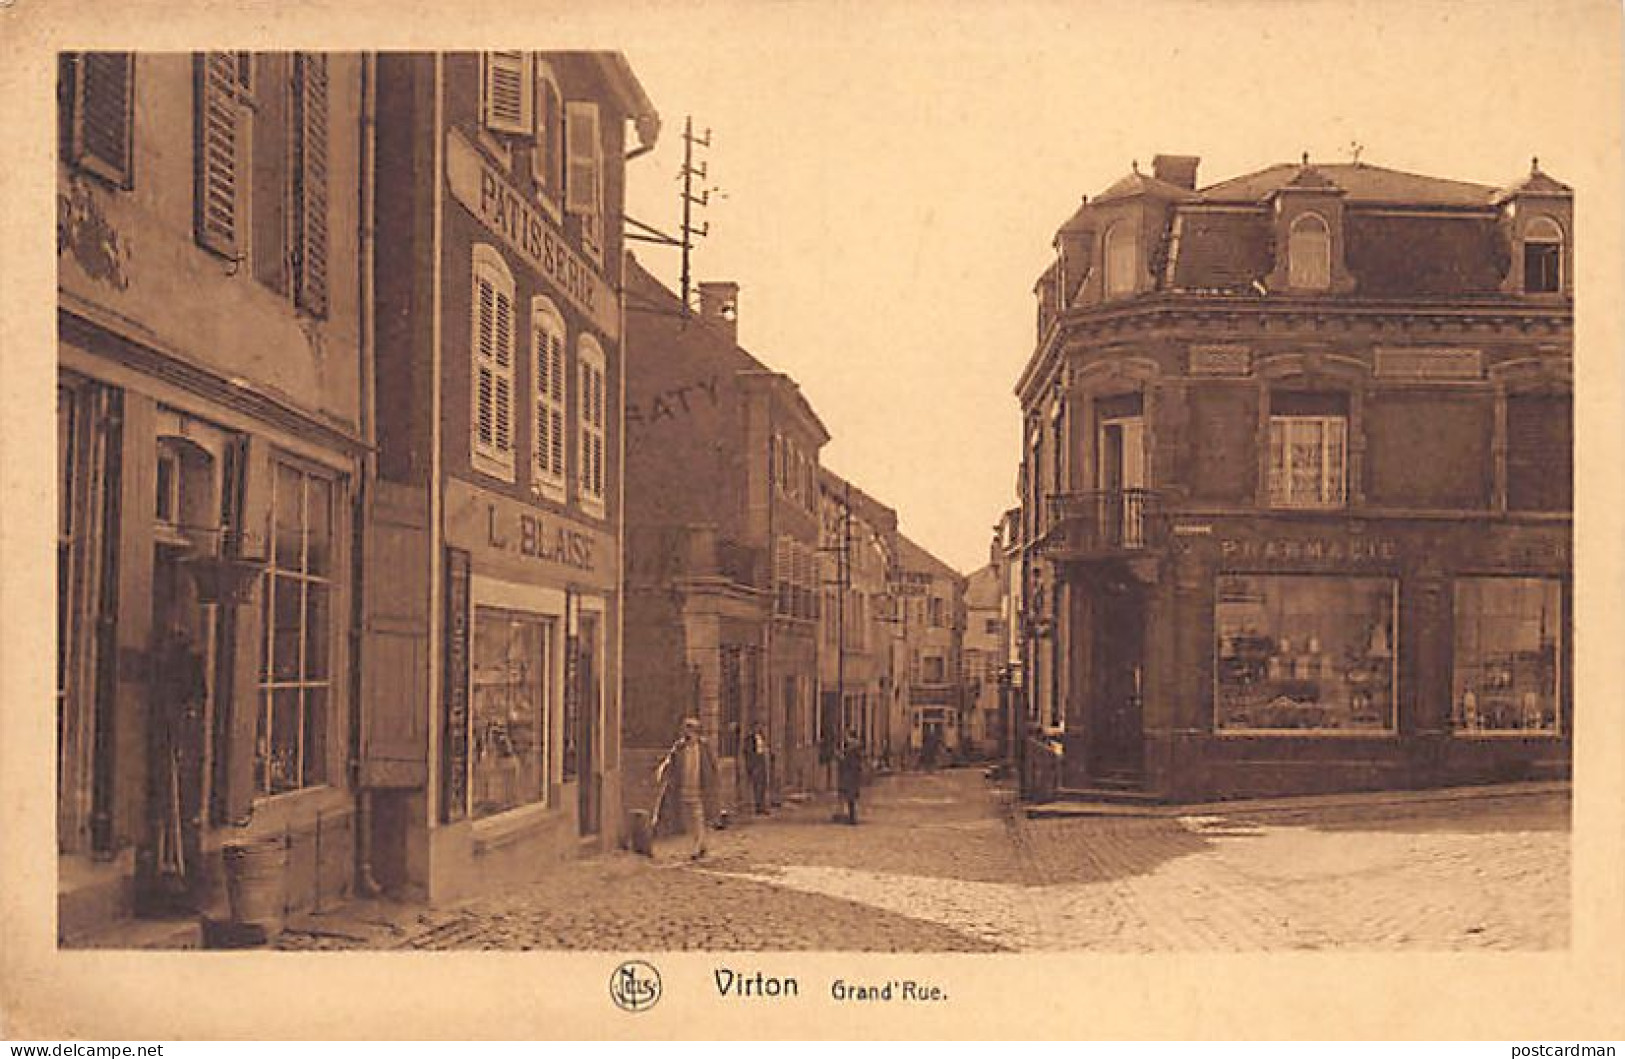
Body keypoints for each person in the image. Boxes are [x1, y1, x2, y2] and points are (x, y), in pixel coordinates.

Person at [654, 717, 719, 860]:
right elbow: (670, 763)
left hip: (699, 786)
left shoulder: (704, 747)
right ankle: (699, 844)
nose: (689, 735)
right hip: (684, 785)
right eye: (687, 731)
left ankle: (698, 845)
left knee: (698, 816)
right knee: (689, 817)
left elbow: (712, 765)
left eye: (692, 731)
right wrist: (663, 773)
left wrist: (712, 782)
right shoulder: (680, 747)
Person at [836, 733, 864, 825]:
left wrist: (840, 758)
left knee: (850, 797)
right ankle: (852, 817)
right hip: (853, 776)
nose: (846, 739)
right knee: (851, 798)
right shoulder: (855, 750)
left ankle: (852, 818)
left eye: (847, 737)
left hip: (850, 776)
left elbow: (847, 763)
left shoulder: (852, 751)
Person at [742, 723, 770, 815]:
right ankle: (757, 807)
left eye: (760, 727)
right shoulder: (749, 739)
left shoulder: (762, 737)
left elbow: (764, 749)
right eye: (756, 727)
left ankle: (762, 806)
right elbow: (748, 752)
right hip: (755, 762)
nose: (758, 728)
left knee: (763, 785)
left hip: (762, 761)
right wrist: (751, 765)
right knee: (756, 785)